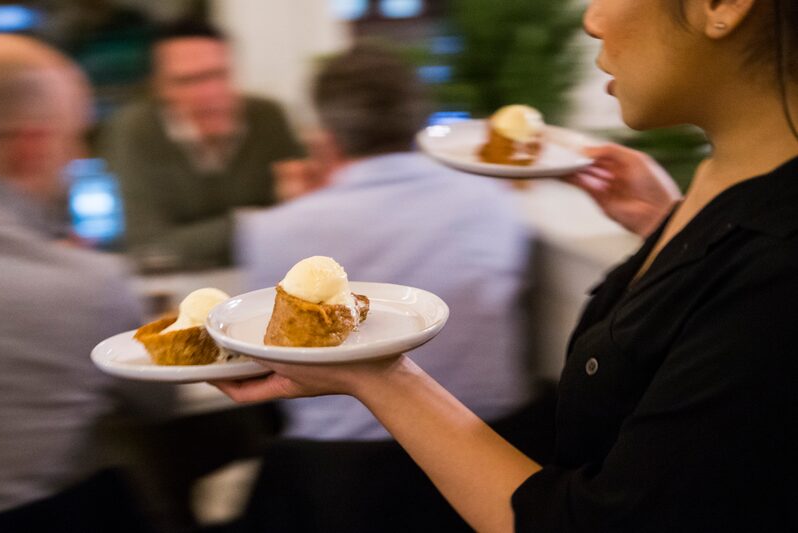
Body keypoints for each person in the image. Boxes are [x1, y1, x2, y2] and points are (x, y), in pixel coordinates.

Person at [213, 0, 798, 531]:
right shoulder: (727, 193)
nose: (590, 19)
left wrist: (376, 373)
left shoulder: (777, 268)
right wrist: (665, 225)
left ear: (722, 6)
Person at [233, 44, 548, 532]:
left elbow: (266, 356)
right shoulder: (496, 203)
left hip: (344, 493)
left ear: (326, 136)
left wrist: (298, 208)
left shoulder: (275, 231)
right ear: (416, 120)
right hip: (500, 466)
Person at [0, 35, 172, 531]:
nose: (76, 156)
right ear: (31, 145)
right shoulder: (85, 285)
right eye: (74, 137)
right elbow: (157, 399)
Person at [98, 19, 303, 271]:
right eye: (188, 81)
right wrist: (253, 224)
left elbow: (302, 220)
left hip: (264, 282)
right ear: (160, 88)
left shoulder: (267, 117)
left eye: (219, 75)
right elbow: (148, 247)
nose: (209, 92)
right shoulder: (135, 131)